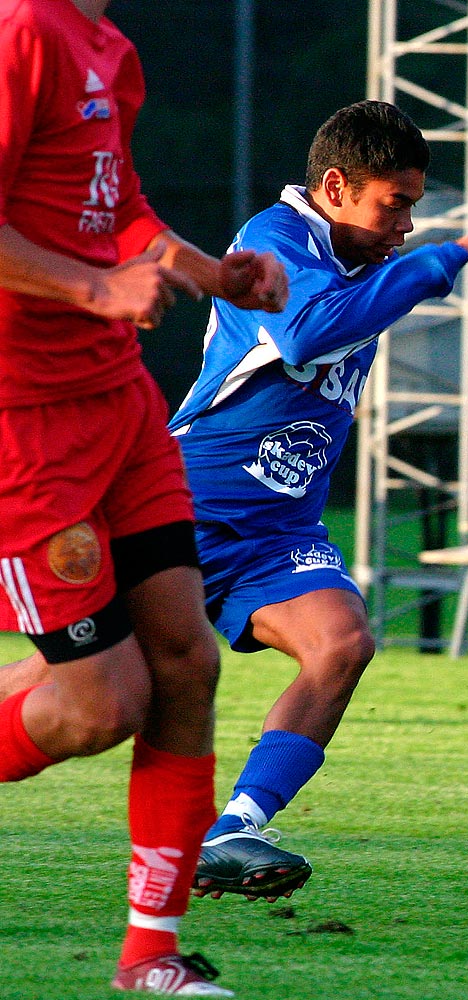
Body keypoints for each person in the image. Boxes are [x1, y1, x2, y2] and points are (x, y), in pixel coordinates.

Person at [0, 0, 288, 994]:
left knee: (185, 662)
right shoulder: (22, 30)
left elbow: (117, 210)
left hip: (118, 402)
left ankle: (150, 957)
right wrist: (94, 291)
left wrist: (217, 277)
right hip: (24, 422)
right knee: (93, 704)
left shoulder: (107, 44)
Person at [166, 100, 468, 904]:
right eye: (396, 202)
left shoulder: (359, 261)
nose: (406, 224)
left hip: (279, 531)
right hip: (188, 505)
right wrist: (426, 267)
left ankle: (233, 828)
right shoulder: (270, 240)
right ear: (337, 186)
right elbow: (307, 332)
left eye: (415, 205)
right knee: (96, 686)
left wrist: (402, 268)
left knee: (342, 643)